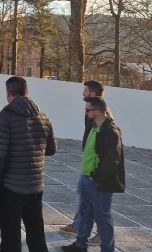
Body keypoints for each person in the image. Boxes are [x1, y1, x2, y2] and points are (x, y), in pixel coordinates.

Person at [0, 76, 56, 252]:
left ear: (8, 93)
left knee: (11, 239)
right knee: (36, 237)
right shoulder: (43, 117)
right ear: (27, 92)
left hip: (11, 187)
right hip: (35, 186)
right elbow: (51, 150)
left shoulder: (4, 117)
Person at [61, 97, 124, 252]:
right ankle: (80, 245)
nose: (85, 112)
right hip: (85, 177)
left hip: (99, 181)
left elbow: (112, 161)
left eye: (88, 110)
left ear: (97, 112)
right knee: (85, 213)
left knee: (103, 217)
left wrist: (95, 176)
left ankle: (107, 249)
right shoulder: (93, 126)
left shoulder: (110, 132)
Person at [60, 80, 105, 245]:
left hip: (95, 166)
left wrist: (98, 170)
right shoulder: (90, 112)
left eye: (85, 91)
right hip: (88, 162)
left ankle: (101, 234)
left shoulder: (101, 115)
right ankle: (78, 225)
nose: (82, 94)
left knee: (98, 204)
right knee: (84, 197)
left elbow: (105, 146)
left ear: (93, 93)